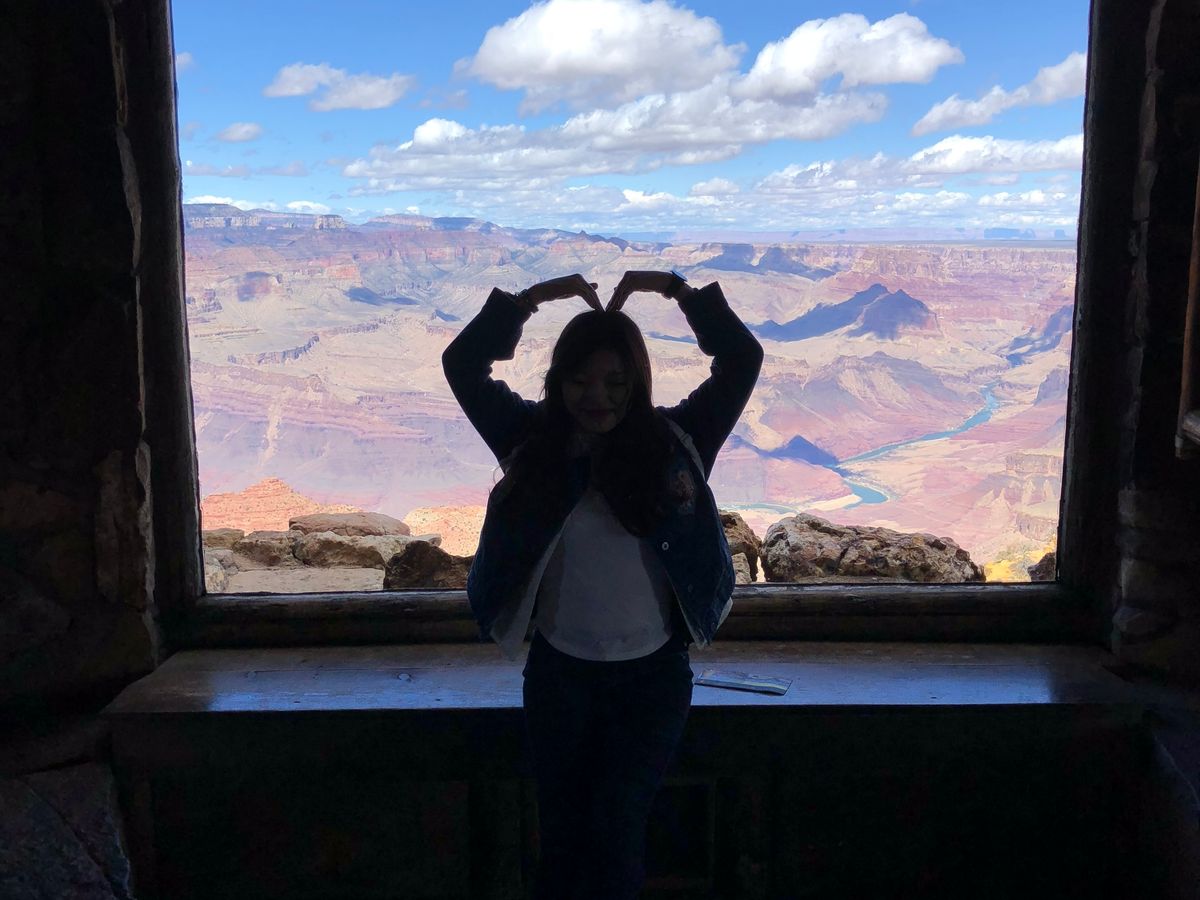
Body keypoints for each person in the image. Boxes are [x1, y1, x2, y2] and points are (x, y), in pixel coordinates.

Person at [441, 269, 764, 899]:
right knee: (561, 847)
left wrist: (675, 289)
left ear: (638, 382)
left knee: (617, 840)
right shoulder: (530, 441)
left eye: (616, 382)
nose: (598, 397)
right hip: (560, 677)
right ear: (557, 379)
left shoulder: (679, 440)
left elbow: (742, 359)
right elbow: (462, 365)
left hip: (651, 682)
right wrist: (531, 300)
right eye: (580, 380)